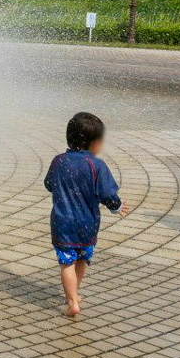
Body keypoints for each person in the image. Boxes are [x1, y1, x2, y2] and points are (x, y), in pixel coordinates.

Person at [45, 112, 129, 318]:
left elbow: (49, 184)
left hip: (63, 223)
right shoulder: (96, 165)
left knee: (67, 263)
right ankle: (74, 293)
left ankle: (72, 301)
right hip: (87, 223)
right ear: (94, 143)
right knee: (82, 259)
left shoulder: (59, 161)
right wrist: (116, 207)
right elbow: (107, 192)